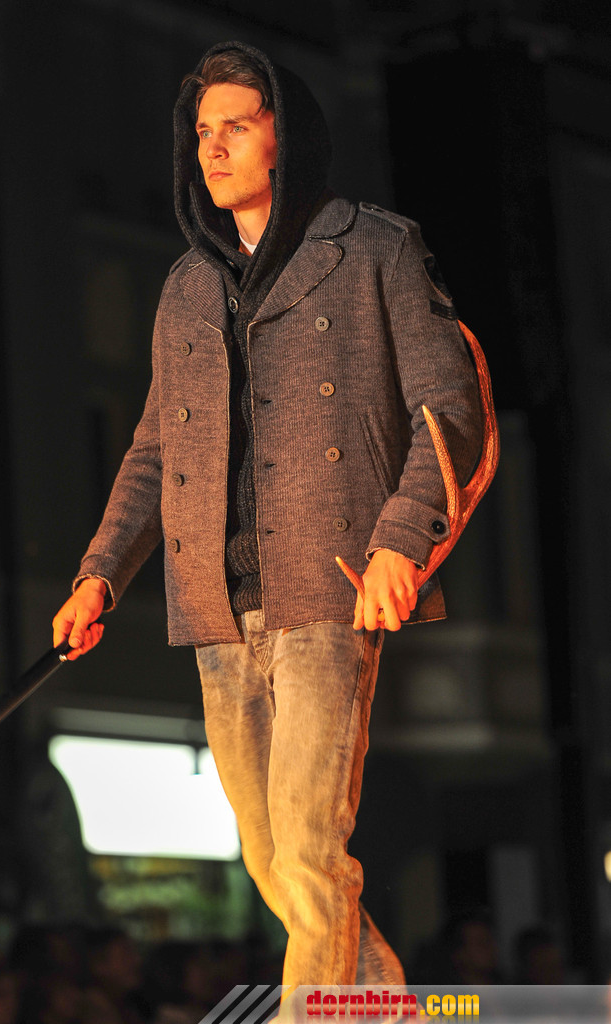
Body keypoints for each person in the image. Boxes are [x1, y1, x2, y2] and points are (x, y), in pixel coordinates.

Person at [52, 41, 485, 990]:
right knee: (272, 858)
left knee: (309, 845)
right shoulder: (185, 286)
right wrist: (99, 574)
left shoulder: (374, 248)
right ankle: (383, 1005)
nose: (211, 148)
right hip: (218, 604)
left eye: (236, 127)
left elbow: (450, 408)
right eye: (202, 132)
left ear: (286, 137)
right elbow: (155, 451)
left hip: (330, 586)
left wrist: (400, 541)